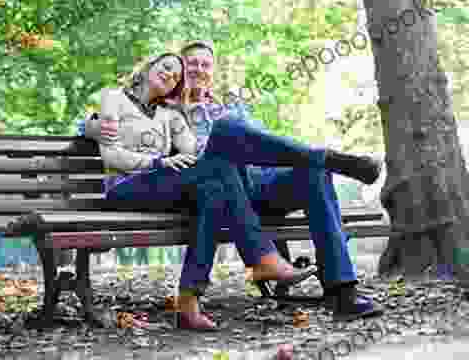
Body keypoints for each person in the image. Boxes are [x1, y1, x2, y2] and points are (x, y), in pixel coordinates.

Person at [83, 40, 384, 323]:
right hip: (224, 189)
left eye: (206, 65)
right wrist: (93, 126)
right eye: (191, 65)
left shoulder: (229, 107)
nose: (199, 70)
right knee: (226, 133)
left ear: (212, 73)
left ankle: (343, 292)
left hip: (261, 184)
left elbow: (267, 147)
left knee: (312, 173)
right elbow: (104, 121)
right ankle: (324, 156)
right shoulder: (166, 108)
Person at [94, 52, 313, 331]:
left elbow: (196, 151)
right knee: (216, 176)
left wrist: (225, 142)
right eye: (165, 68)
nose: (169, 76)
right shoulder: (114, 98)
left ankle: (188, 301)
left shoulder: (170, 115)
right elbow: (111, 156)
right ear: (149, 66)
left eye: (175, 76)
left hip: (160, 186)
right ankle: (262, 258)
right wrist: (158, 161)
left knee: (214, 189)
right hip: (124, 188)